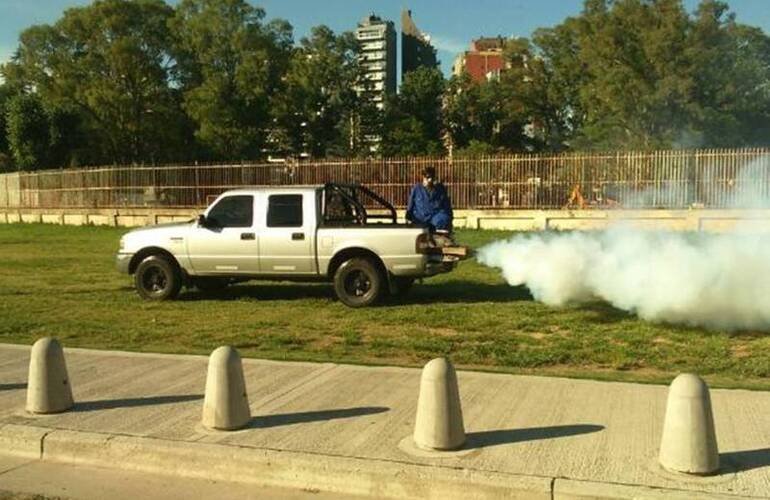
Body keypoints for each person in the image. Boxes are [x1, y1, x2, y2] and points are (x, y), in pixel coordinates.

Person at [406, 167, 453, 232]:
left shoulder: (440, 189)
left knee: (443, 219)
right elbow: (410, 204)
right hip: (420, 218)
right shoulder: (416, 189)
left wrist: (449, 217)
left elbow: (447, 205)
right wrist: (408, 217)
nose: (430, 180)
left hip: (435, 217)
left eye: (432, 177)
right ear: (423, 177)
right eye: (428, 177)